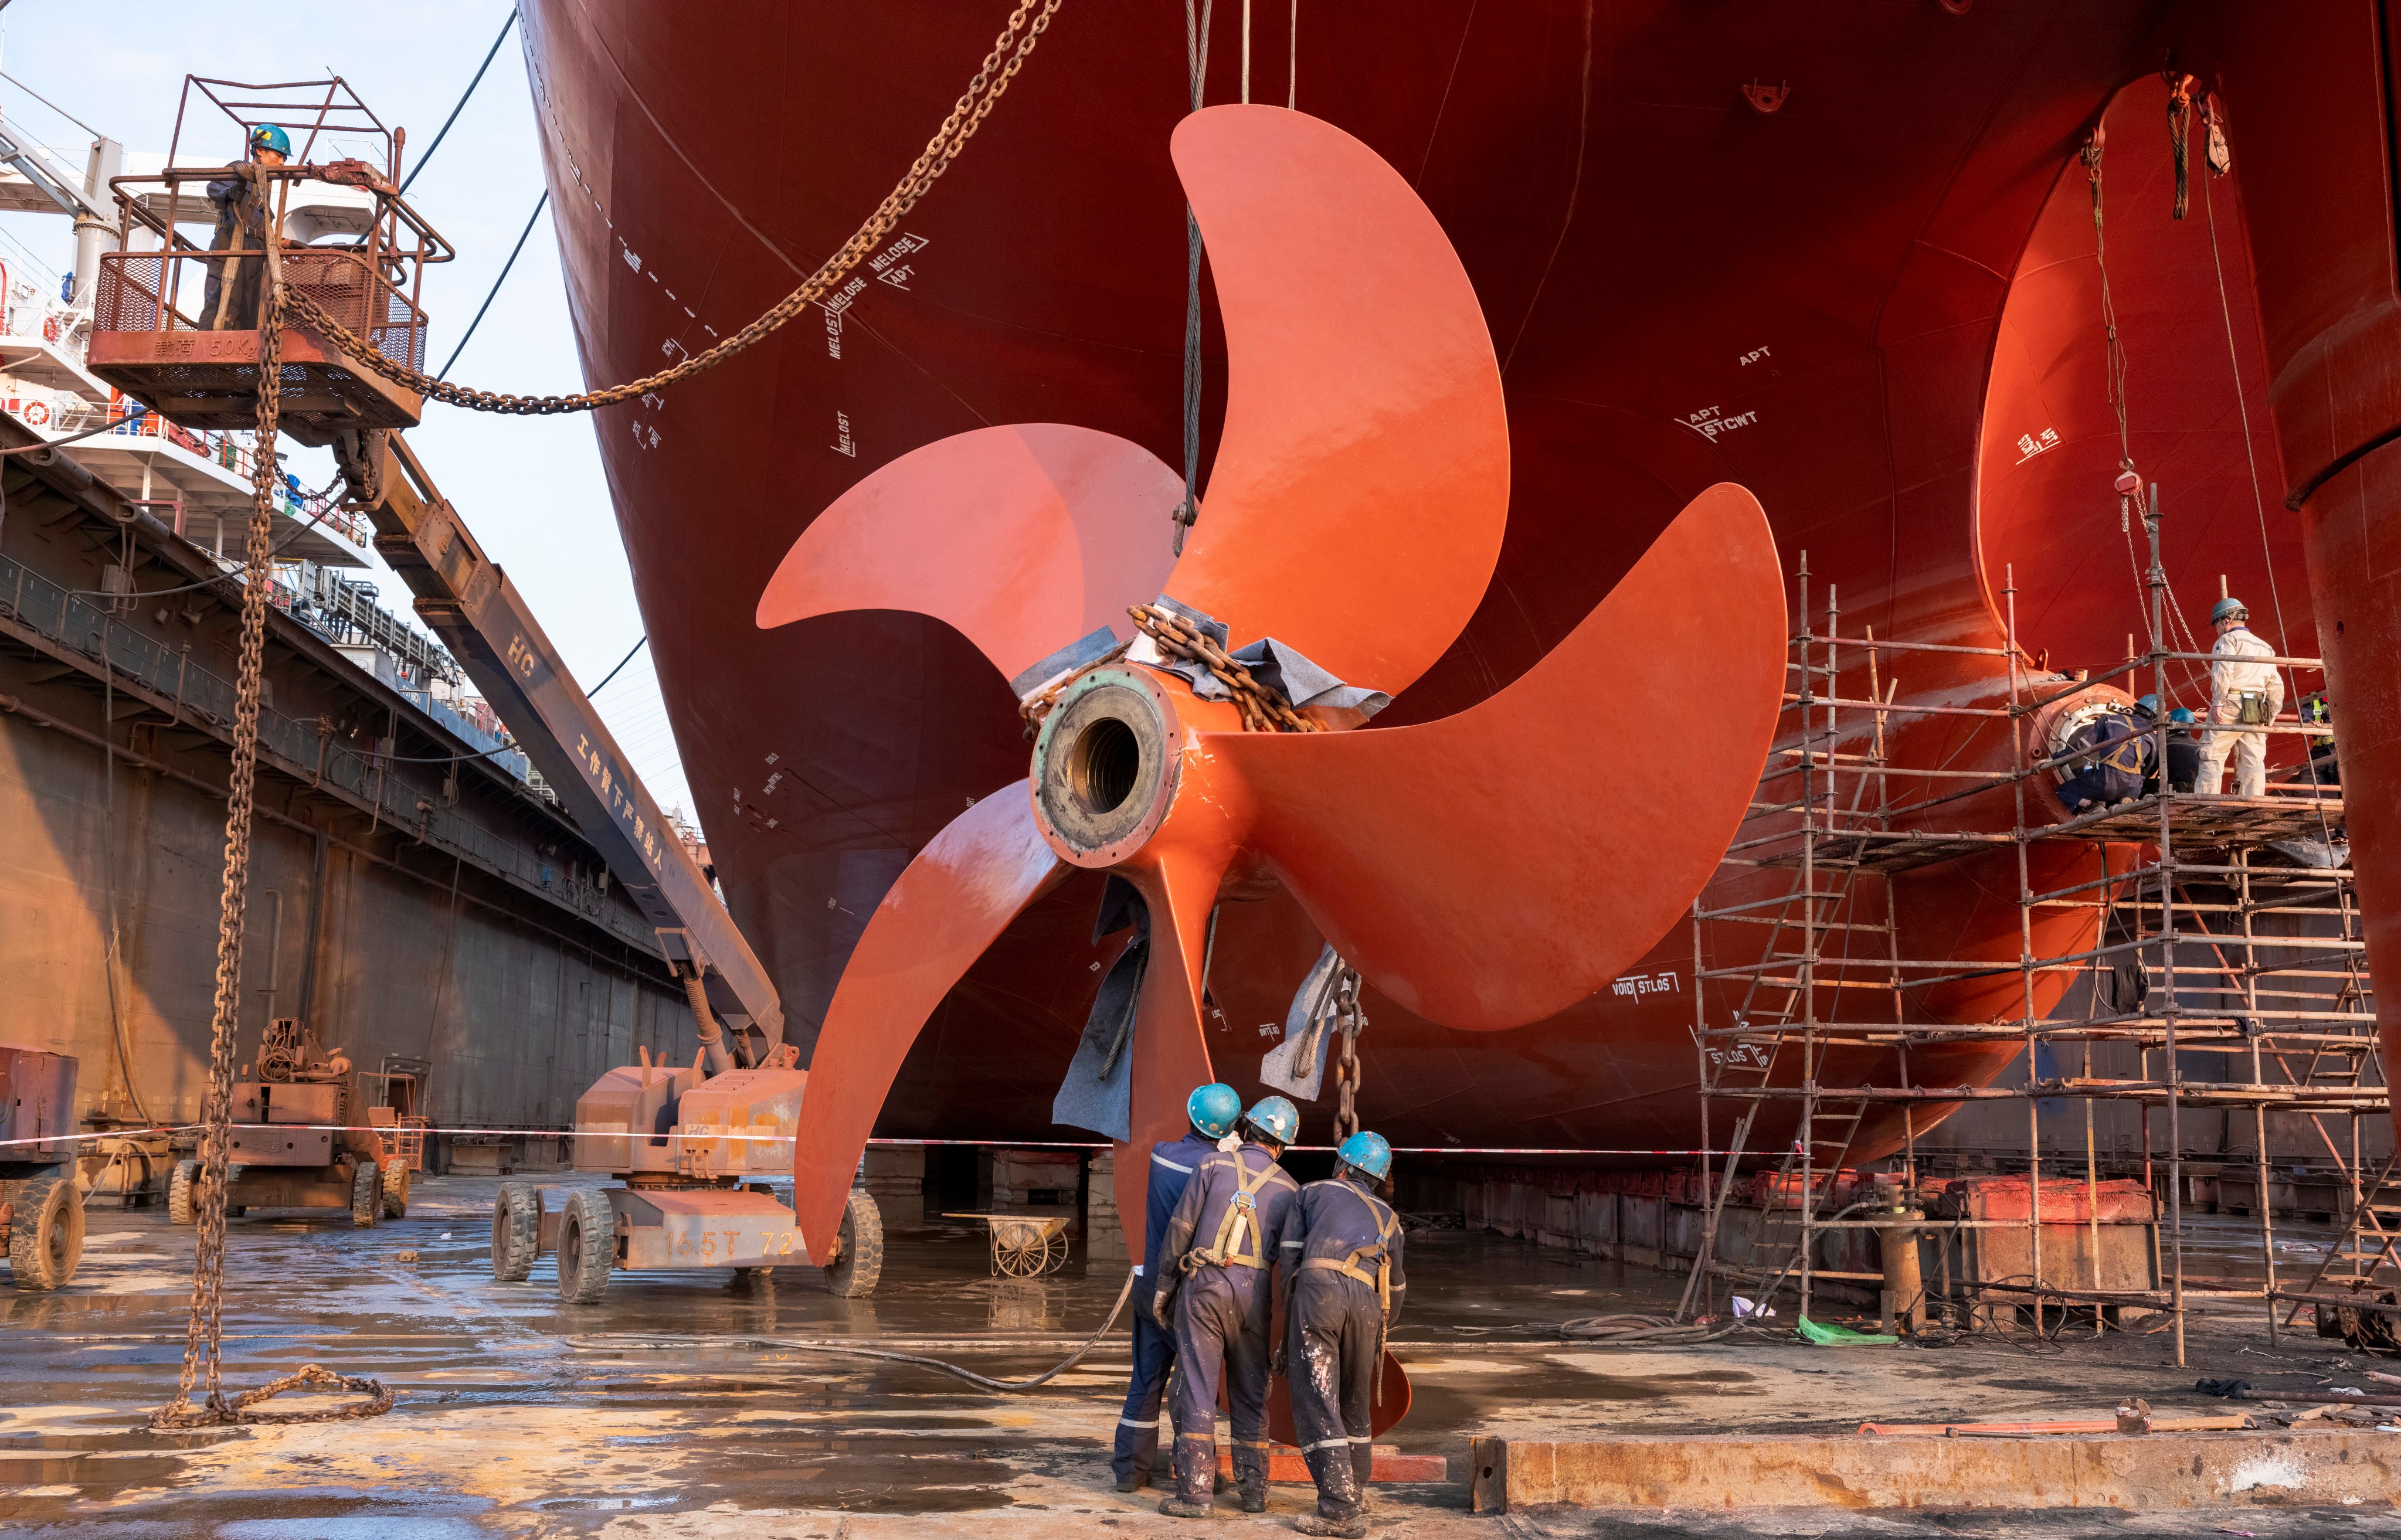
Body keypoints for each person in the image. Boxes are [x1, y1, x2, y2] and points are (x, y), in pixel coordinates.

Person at [1151, 1093, 1301, 1518]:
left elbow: (1180, 1229)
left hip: (1206, 1287)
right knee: (1251, 1393)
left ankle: (1195, 1494)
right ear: (1282, 1144)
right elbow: (1288, 1262)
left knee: (1198, 1384)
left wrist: (1165, 1287)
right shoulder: (1291, 1189)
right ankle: (1254, 1492)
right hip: (1255, 1296)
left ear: (1247, 1128)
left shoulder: (1211, 1166)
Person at [1111, 1082, 1239, 1493]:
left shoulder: (1162, 1155)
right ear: (1230, 1128)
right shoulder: (1224, 1173)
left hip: (1152, 1288)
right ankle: (1196, 1472)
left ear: (1190, 1115)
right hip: (1194, 1295)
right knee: (1195, 1389)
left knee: (1145, 1380)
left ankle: (1129, 1472)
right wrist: (1232, 1155)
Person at [1281, 1131, 1407, 1539]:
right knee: (1355, 1399)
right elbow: (1398, 1288)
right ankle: (1356, 1492)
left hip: (1320, 1295)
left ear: (1342, 1166)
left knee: (1318, 1397)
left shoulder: (1312, 1191)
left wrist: (1288, 1317)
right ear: (1376, 1179)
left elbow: (1289, 1256)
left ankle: (1338, 1511)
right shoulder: (1390, 1219)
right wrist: (1378, 1335)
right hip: (1369, 1306)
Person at [2193, 596, 2284, 797]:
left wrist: (2217, 703)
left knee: (2212, 754)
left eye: (2215, 625)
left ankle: (2207, 803)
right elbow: (2277, 685)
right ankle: (2254, 803)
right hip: (2256, 704)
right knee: (2253, 758)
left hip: (2231, 702)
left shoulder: (2227, 640)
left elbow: (2223, 672)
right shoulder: (2265, 647)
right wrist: (2273, 714)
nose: (2216, 630)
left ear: (2225, 621)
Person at [203, 123, 290, 331]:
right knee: (218, 304)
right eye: (278, 155)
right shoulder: (241, 170)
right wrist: (229, 193)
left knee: (249, 311)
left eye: (285, 158)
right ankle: (205, 349)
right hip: (230, 247)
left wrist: (283, 243)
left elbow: (263, 225)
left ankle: (237, 358)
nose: (282, 161)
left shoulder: (263, 189)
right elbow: (213, 186)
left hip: (254, 254)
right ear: (260, 151)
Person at [2053, 709, 2150, 814]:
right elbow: (2146, 771)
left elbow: (2083, 747)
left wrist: (2057, 760)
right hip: (2131, 790)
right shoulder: (2153, 736)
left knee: (2063, 791)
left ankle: (2092, 806)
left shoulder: (2110, 720)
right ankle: (2125, 801)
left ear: (2134, 710)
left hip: (2105, 782)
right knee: (2119, 793)